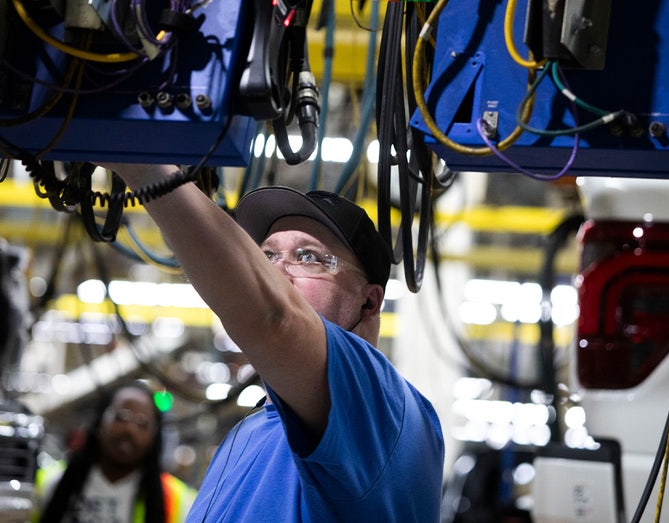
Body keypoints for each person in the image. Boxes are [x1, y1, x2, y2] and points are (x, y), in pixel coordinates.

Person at [105, 163, 445, 522]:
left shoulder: (381, 410)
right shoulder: (246, 434)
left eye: (308, 257)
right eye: (267, 256)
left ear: (369, 302)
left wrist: (144, 169)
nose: (276, 272)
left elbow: (276, 320)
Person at [32, 380, 196, 523]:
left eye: (143, 423)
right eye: (121, 417)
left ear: (155, 437)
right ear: (100, 421)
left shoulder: (179, 501)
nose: (130, 429)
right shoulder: (48, 483)